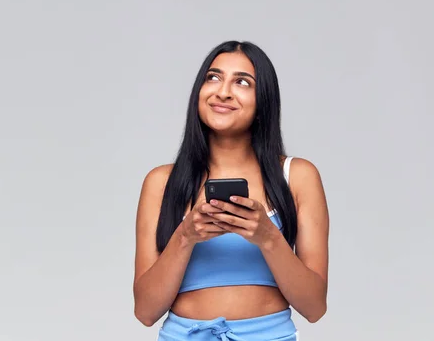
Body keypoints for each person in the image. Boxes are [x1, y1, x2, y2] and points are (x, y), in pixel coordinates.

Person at [133, 40, 330, 340]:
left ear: (263, 99)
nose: (222, 91)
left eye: (242, 82)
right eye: (213, 77)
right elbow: (145, 311)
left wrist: (267, 237)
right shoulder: (161, 182)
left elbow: (314, 307)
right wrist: (186, 236)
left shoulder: (297, 177)